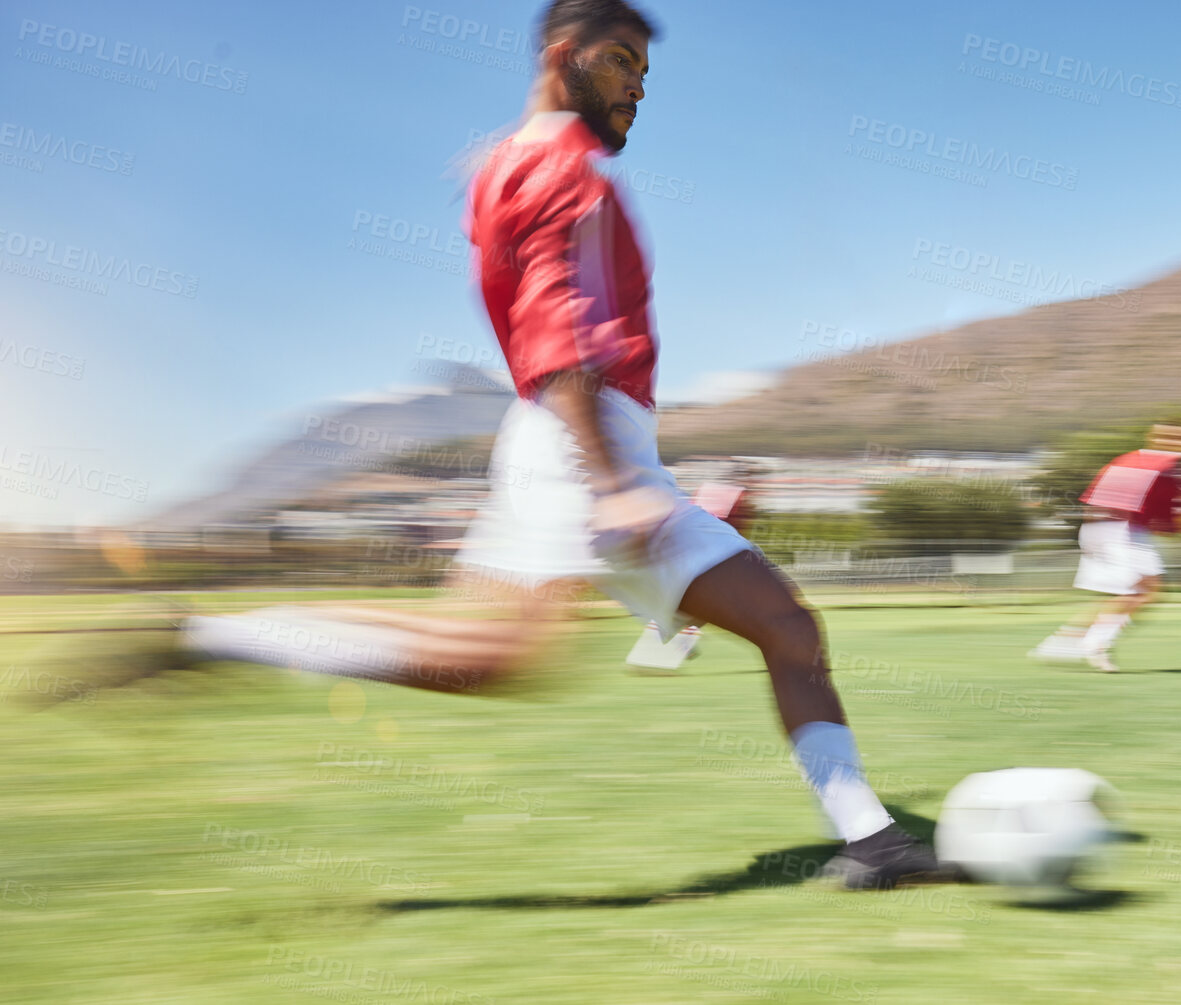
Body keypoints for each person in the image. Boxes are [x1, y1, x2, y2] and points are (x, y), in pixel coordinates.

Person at [111, 0, 949, 890]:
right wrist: (612, 480)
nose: (637, 85)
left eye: (645, 72)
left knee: (785, 625)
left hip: (595, 441)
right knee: (492, 662)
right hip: (581, 445)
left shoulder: (520, 164)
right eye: (621, 60)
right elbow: (559, 332)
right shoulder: (566, 169)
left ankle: (874, 846)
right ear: (564, 55)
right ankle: (215, 635)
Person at [1030, 423, 1181, 672]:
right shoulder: (1168, 468)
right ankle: (1092, 644)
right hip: (1122, 530)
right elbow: (1169, 520)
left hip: (1103, 528)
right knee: (1139, 594)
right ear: (1160, 439)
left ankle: (1064, 642)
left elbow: (1098, 498)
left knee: (1139, 593)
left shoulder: (1129, 458)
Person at [626, 459, 758, 671]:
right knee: (697, 610)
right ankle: (661, 652)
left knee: (688, 609)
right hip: (711, 557)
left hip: (684, 552)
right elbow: (730, 531)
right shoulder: (739, 498)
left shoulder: (709, 490)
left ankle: (661, 651)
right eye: (753, 477)